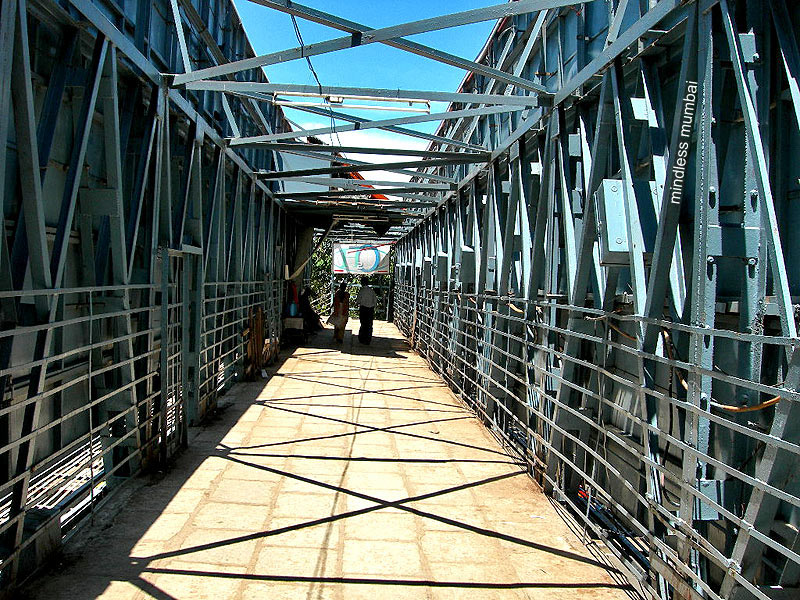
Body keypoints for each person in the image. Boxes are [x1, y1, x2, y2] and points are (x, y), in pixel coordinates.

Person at [356, 276, 377, 345]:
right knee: (369, 324)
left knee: (363, 324)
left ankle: (362, 338)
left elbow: (358, 301)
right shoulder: (372, 291)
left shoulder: (361, 291)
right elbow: (375, 301)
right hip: (370, 309)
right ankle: (368, 339)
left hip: (363, 309)